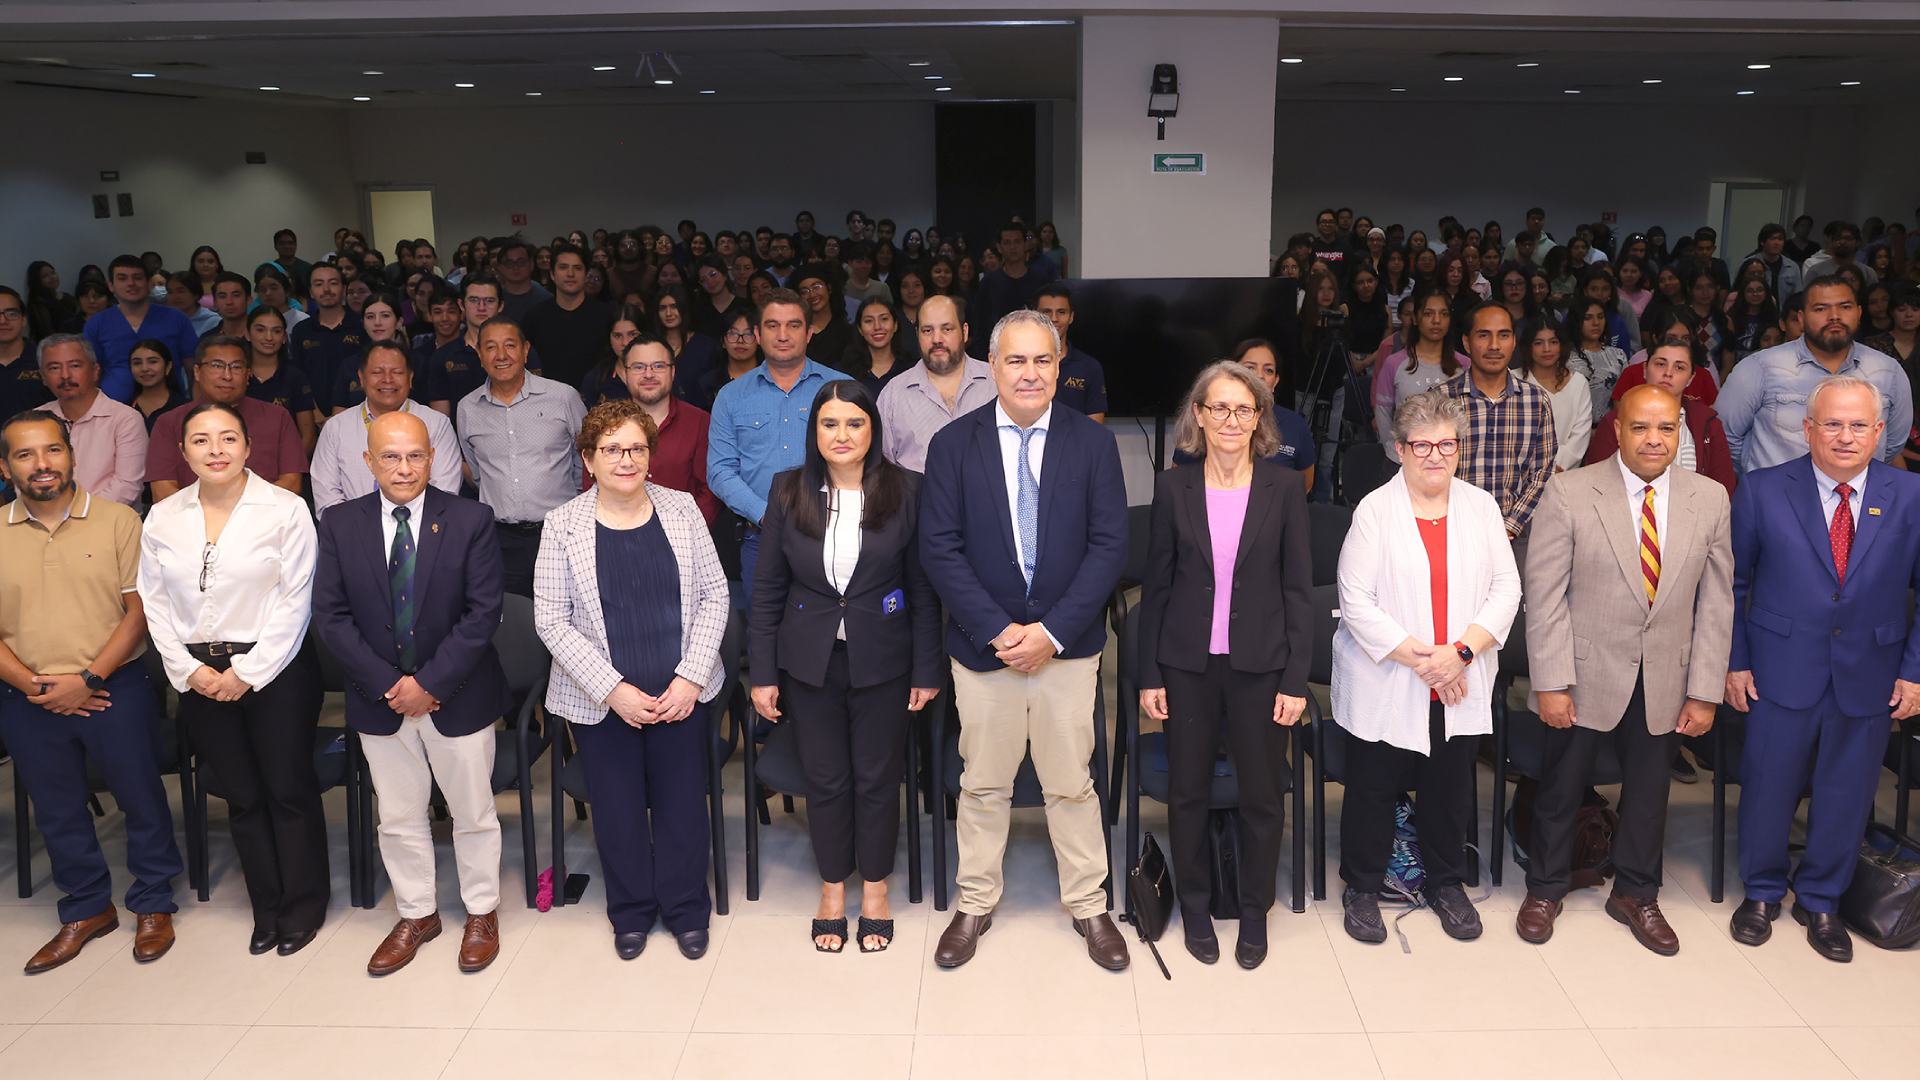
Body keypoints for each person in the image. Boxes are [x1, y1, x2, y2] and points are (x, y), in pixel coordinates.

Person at [920, 309, 1130, 972]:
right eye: (1017, 361)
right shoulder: (954, 446)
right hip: (985, 651)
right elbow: (940, 549)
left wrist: (1052, 631)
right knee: (982, 784)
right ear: (994, 367)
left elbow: (1110, 546)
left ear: (1059, 365)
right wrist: (999, 629)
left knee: (1072, 783)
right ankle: (975, 903)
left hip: (1068, 648)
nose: (1031, 373)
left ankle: (1090, 906)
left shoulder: (1093, 445)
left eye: (1043, 360)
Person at [1519, 386, 1733, 953]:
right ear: (1617, 429)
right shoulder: (1569, 492)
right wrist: (1551, 681)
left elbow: (1716, 603)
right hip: (1583, 672)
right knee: (1562, 786)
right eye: (1640, 427)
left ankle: (1637, 892)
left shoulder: (1709, 498)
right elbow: (1544, 597)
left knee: (1649, 791)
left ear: (1681, 431)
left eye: (1665, 428)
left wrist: (1706, 690)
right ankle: (1545, 886)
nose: (1653, 439)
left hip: (1667, 673)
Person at [1725, 376, 1920, 963]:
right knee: (1768, 785)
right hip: (1780, 666)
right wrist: (1735, 662)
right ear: (1807, 429)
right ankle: (1761, 892)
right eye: (1831, 423)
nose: (1844, 436)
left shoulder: (1910, 495)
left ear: (1881, 431)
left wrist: (1914, 672)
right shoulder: (1761, 490)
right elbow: (1733, 586)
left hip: (1872, 671)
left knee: (1848, 791)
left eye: (1858, 425)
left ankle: (1823, 898)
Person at [313, 410, 509, 975]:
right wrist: (390, 685)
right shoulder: (341, 523)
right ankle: (417, 913)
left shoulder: (471, 518)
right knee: (397, 816)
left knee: (473, 812)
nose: (404, 468)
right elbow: (330, 615)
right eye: (391, 457)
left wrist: (429, 684)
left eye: (415, 455)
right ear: (368, 461)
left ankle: (481, 910)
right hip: (380, 699)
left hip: (458, 695)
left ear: (433, 457)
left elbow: (482, 614)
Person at [748, 381, 941, 954]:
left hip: (885, 660)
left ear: (872, 430)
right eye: (829, 424)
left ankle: (875, 890)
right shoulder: (788, 490)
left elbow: (923, 588)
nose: (842, 435)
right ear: (815, 432)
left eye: (854, 423)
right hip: (809, 662)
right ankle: (833, 890)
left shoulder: (907, 489)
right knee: (826, 781)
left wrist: (926, 670)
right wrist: (762, 673)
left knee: (878, 780)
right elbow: (766, 591)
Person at [533, 400, 729, 961]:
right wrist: (611, 689)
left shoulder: (683, 509)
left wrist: (690, 677)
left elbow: (716, 595)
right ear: (589, 460)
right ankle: (632, 912)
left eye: (637, 448)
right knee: (616, 809)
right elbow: (551, 619)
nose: (626, 459)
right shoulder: (562, 525)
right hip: (601, 700)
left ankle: (688, 908)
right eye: (612, 449)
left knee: (682, 805)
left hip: (680, 694)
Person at [1137, 361, 1311, 968]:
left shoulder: (1284, 488)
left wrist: (1295, 680)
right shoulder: (1171, 486)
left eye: (1244, 408)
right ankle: (1195, 904)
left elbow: (1297, 591)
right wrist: (1149, 674)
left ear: (1259, 418)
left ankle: (1254, 912)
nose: (1231, 420)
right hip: (1186, 665)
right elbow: (1155, 589)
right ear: (1200, 416)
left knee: (1262, 795)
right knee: (1187, 794)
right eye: (1219, 408)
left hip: (1261, 667)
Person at [139, 400, 327, 957]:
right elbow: (153, 601)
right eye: (201, 440)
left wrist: (245, 673)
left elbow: (297, 600)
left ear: (248, 447)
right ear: (183, 452)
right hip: (199, 673)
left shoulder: (285, 509)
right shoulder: (163, 516)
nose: (215, 450)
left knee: (287, 790)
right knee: (241, 797)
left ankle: (302, 906)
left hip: (277, 669)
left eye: (227, 439)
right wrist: (190, 670)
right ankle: (265, 907)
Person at [1332, 390, 1520, 944]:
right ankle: (1362, 887)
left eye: (1446, 444)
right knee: (1372, 785)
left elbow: (1506, 589)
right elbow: (1356, 598)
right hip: (1391, 676)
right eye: (1422, 445)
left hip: (1459, 674)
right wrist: (1428, 660)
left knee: (1449, 785)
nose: (1435, 456)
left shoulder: (1482, 507)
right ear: (1399, 449)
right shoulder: (1375, 511)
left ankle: (1446, 882)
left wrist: (1459, 653)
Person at [0, 410, 184, 973]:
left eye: (52, 451)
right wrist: (39, 686)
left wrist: (88, 680)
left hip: (113, 685)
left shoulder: (120, 521)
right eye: (25, 455)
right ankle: (86, 907)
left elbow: (139, 610)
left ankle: (153, 903)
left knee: (140, 796)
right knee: (55, 809)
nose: (42, 464)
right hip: (27, 694)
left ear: (71, 455)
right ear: (5, 467)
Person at [707, 289, 851, 603]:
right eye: (772, 325)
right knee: (764, 638)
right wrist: (766, 514)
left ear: (810, 332)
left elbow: (861, 460)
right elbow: (720, 471)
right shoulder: (731, 397)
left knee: (831, 639)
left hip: (832, 536)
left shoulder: (841, 389)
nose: (782, 335)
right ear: (757, 334)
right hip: (761, 539)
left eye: (793, 325)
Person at [1718, 276, 1912, 472]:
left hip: (1855, 499)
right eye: (1820, 309)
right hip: (1778, 499)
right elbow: (1724, 437)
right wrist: (1764, 482)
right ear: (1801, 318)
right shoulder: (1760, 367)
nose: (1834, 316)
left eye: (1845, 307)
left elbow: (1891, 446)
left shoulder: (1888, 371)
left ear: (1859, 313)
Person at [456, 316, 587, 596]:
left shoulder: (563, 397)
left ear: (526, 350)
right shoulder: (467, 408)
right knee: (511, 628)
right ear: (479, 355)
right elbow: (477, 472)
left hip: (561, 534)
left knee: (569, 617)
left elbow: (586, 461)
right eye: (490, 347)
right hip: (501, 540)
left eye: (510, 345)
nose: (501, 355)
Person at [1442, 303, 1556, 542]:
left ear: (1514, 342)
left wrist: (1509, 528)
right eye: (1484, 335)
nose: (1494, 346)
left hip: (1517, 535)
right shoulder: (1439, 401)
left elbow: (1542, 473)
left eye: (1503, 335)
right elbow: (1427, 471)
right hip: (1453, 534)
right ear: (1466, 343)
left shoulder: (1536, 401)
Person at [311, 341, 462, 514]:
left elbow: (444, 491)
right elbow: (327, 498)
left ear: (410, 378)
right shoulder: (336, 428)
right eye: (377, 372)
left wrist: (405, 526)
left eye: (397, 372)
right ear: (361, 378)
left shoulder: (436, 424)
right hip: (353, 535)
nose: (388, 380)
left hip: (422, 533)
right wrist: (360, 530)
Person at [1585, 342, 1738, 492]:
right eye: (1660, 364)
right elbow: (1597, 486)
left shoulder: (1707, 423)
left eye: (1679, 367)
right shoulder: (1616, 421)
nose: (1668, 373)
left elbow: (1722, 489)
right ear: (1645, 370)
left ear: (1690, 378)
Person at [875, 294, 995, 474]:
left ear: (965, 331)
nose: (937, 339)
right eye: (927, 330)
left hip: (986, 500)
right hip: (917, 500)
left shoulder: (996, 382)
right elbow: (880, 471)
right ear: (917, 335)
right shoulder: (893, 394)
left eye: (947, 329)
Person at [33, 335, 147, 505]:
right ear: (43, 376)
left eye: (75, 366)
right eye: (54, 368)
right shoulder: (34, 421)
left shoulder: (125, 419)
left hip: (109, 523)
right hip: (45, 522)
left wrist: (77, 519)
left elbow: (126, 487)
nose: (65, 375)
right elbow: (26, 480)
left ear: (95, 371)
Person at [620, 334, 718, 524]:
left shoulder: (700, 422)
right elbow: (594, 486)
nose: (649, 374)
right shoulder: (606, 425)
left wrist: (685, 531)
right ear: (625, 374)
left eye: (658, 366)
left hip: (685, 540)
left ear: (672, 372)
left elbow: (710, 490)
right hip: (617, 537)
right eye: (639, 367)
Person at [84, 255, 201, 404]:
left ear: (150, 283)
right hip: (113, 411)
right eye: (122, 278)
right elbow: (91, 373)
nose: (131, 283)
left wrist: (195, 405)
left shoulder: (176, 318)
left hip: (169, 410)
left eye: (137, 277)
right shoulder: (97, 323)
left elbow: (193, 369)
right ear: (111, 285)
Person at [1372, 290, 1464, 462]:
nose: (1436, 320)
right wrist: (1395, 452)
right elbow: (1383, 413)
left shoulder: (1464, 365)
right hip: (1403, 461)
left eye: (1443, 314)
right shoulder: (1394, 363)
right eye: (1428, 313)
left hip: (1450, 462)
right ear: (1415, 318)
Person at [522, 245, 613, 391]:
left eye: (577, 268)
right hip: (547, 400)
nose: (570, 274)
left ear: (585, 274)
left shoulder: (606, 315)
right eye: (563, 267)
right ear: (552, 274)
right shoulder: (535, 316)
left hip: (596, 400)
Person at [241, 306, 319, 454]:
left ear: (284, 337)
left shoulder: (295, 376)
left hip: (287, 464)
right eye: (260, 330)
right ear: (247, 334)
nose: (269, 337)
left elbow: (308, 436)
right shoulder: (236, 373)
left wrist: (290, 468)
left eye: (276, 331)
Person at [969, 221, 1060, 345]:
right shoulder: (988, 282)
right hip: (997, 350)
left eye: (1017, 242)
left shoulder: (1041, 280)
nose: (1012, 247)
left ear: (1025, 244)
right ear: (999, 247)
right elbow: (979, 323)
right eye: (1007, 243)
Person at [1035, 284, 1108, 424]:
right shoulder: (1020, 365)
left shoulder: (1089, 367)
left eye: (1061, 312)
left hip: (1075, 445)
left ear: (1071, 317)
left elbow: (1095, 428)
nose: (1054, 318)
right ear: (1034, 315)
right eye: (1046, 312)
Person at [845, 296, 913, 397]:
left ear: (895, 325)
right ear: (860, 329)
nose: (877, 326)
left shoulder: (911, 370)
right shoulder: (844, 373)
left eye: (884, 319)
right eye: (869, 321)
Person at [129, 339, 188, 432]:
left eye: (153, 362)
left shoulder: (184, 408)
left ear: (168, 366)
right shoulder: (125, 408)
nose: (144, 368)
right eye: (137, 363)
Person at [493, 238, 552, 324]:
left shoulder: (547, 300)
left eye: (521, 262)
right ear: (500, 267)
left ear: (531, 264)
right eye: (509, 263)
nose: (515, 267)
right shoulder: (493, 299)